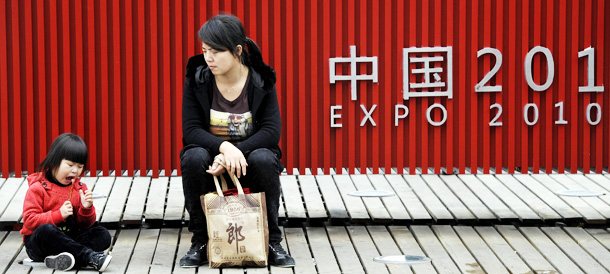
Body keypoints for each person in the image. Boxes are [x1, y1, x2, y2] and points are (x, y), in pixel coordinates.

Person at [180, 14, 295, 268]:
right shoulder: (198, 79)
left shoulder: (261, 81)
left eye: (216, 52)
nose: (208, 58)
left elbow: (270, 131)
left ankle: (272, 240)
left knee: (265, 157)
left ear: (237, 51)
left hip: (249, 160)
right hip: (212, 161)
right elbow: (191, 130)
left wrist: (236, 152)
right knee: (193, 156)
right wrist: (223, 148)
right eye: (204, 50)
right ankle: (200, 241)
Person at [20, 133, 112, 272]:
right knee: (47, 230)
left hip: (71, 237)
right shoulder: (37, 188)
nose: (75, 171)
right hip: (40, 244)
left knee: (102, 233)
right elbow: (29, 221)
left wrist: (86, 209)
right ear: (54, 162)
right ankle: (88, 257)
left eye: (80, 167)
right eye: (70, 165)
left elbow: (85, 225)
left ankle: (68, 257)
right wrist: (58, 215)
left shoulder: (79, 188)